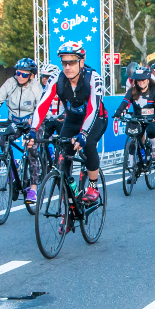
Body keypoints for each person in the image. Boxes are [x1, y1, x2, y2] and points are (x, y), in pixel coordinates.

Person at [30, 41, 107, 217]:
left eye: (71, 62)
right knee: (62, 158)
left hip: (95, 118)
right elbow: (42, 105)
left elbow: (93, 108)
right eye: (64, 63)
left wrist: (84, 134)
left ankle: (93, 186)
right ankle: (70, 196)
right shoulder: (57, 78)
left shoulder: (93, 77)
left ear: (81, 61)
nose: (67, 67)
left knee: (88, 145)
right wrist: (33, 130)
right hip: (72, 119)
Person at [0, 58, 43, 204]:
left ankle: (33, 189)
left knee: (32, 150)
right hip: (15, 121)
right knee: (3, 140)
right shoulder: (10, 83)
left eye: (24, 74)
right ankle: (12, 171)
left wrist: (34, 121)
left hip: (33, 122)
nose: (20, 76)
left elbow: (41, 108)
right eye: (18, 73)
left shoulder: (36, 87)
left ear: (31, 76)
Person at [113, 67, 155, 163]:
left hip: (151, 118)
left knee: (151, 130)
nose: (141, 82)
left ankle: (154, 148)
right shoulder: (132, 90)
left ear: (148, 80)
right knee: (133, 137)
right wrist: (118, 112)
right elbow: (125, 102)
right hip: (137, 118)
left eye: (143, 80)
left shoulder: (154, 91)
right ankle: (132, 166)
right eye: (138, 80)